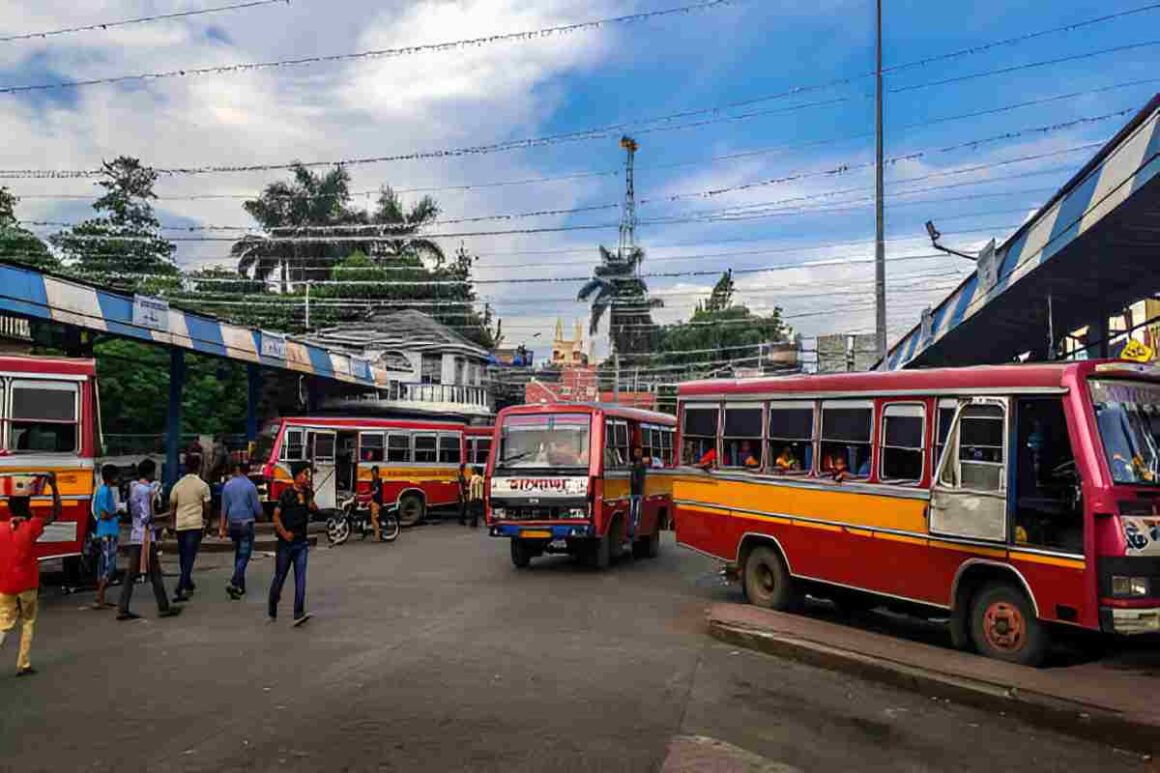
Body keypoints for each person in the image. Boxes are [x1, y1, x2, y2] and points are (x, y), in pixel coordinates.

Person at [0, 473, 60, 676]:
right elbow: (56, 513)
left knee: (3, 625)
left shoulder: (1, 529)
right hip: (28, 583)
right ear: (27, 506)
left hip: (5, 583)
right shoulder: (33, 526)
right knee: (28, 622)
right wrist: (54, 487)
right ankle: (23, 663)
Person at [118, 459, 182, 621]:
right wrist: (165, 516)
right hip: (146, 537)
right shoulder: (146, 491)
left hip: (136, 535)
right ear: (150, 473)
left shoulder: (133, 488)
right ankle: (163, 607)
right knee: (155, 573)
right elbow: (147, 517)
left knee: (131, 574)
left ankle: (123, 607)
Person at [269, 462, 316, 626]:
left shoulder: (307, 493)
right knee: (280, 576)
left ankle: (298, 612)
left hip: (301, 543)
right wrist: (284, 533)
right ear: (296, 476)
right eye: (304, 474)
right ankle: (272, 605)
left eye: (307, 474)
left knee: (301, 578)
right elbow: (275, 517)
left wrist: (310, 499)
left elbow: (313, 510)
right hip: (285, 544)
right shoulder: (286, 494)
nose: (306, 477)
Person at [169, 454, 211, 603]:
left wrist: (173, 523)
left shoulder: (178, 485)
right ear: (199, 466)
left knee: (183, 555)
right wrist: (206, 522)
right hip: (195, 524)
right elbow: (207, 506)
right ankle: (181, 585)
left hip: (181, 525)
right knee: (190, 555)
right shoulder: (202, 485)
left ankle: (187, 582)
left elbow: (172, 506)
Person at [219, 461, 262, 600]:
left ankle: (240, 586)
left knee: (238, 553)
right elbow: (257, 509)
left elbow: (224, 508)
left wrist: (222, 527)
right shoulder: (250, 486)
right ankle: (234, 581)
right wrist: (262, 516)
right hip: (246, 523)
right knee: (244, 555)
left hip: (233, 524)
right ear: (247, 471)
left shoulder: (228, 485)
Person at [92, 464, 121, 609]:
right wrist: (115, 514)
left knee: (105, 564)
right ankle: (99, 595)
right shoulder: (104, 492)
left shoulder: (105, 490)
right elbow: (103, 514)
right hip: (107, 532)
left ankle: (101, 597)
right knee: (108, 566)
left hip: (108, 531)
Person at [629, 446, 647, 537]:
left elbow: (643, 479)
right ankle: (632, 529)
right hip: (632, 491)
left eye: (639, 452)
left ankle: (636, 528)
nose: (637, 454)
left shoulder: (643, 465)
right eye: (636, 452)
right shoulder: (632, 464)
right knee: (632, 511)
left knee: (638, 512)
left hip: (639, 491)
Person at [369, 465, 384, 542]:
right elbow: (370, 491)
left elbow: (376, 492)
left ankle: (377, 536)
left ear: (377, 473)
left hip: (377, 502)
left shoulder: (379, 481)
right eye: (372, 472)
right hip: (373, 501)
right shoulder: (372, 482)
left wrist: (372, 494)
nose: (373, 473)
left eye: (374, 472)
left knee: (374, 519)